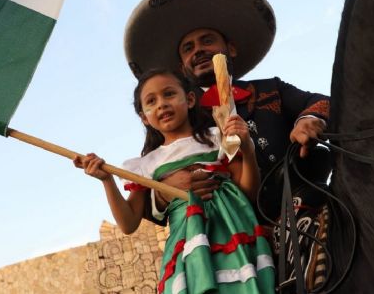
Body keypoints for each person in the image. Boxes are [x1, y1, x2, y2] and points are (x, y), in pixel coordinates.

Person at [124, 0, 332, 289]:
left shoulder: (270, 89)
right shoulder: (184, 121)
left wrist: (309, 119)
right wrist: (166, 189)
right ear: (183, 68)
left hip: (300, 199)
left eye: (207, 40)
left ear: (230, 48)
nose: (198, 50)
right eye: (188, 48)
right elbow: (151, 197)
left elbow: (319, 101)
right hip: (229, 229)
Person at [74, 68, 275, 294]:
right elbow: (128, 223)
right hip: (187, 239)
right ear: (144, 117)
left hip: (233, 227)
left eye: (169, 94)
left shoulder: (219, 138)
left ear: (189, 99)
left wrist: (247, 150)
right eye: (151, 101)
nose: (161, 104)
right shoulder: (145, 165)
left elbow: (248, 191)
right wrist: (107, 181)